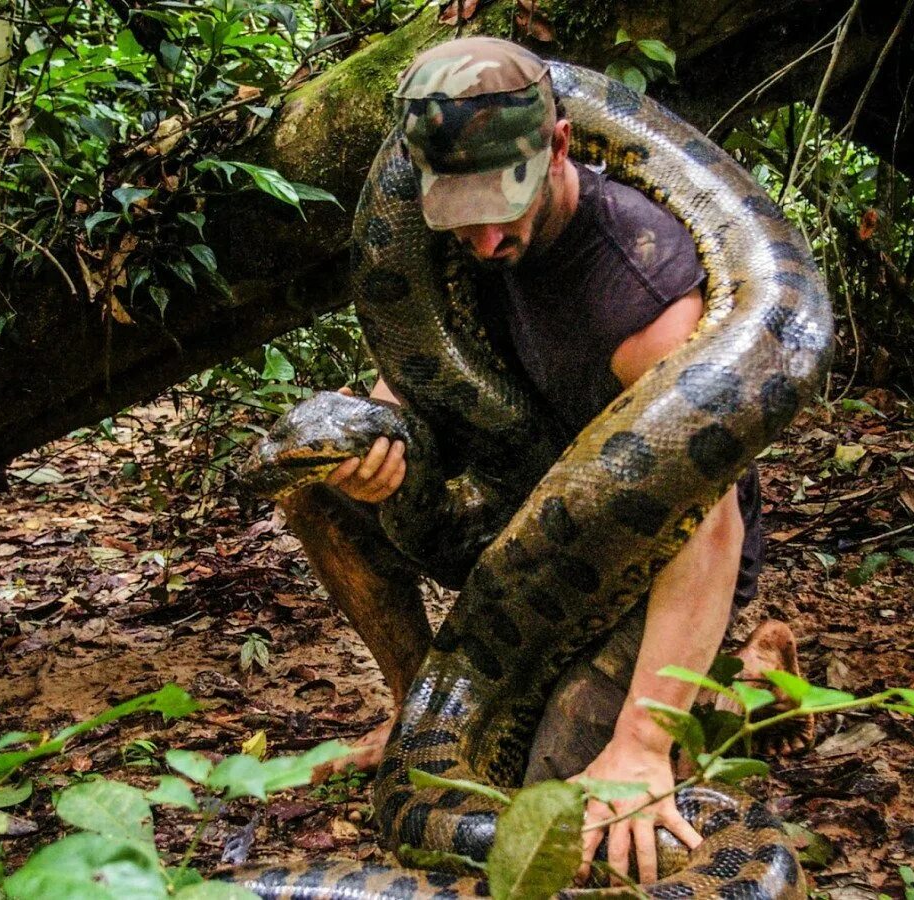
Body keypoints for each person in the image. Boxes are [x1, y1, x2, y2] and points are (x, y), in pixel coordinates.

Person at [285, 36, 806, 886]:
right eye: (460, 209)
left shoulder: (642, 294)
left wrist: (642, 742)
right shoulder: (458, 238)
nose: (484, 238)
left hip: (649, 556)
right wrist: (379, 443)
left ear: (560, 145)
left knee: (559, 828)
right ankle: (423, 702)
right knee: (320, 488)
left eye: (504, 203)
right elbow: (414, 375)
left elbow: (709, 530)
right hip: (531, 519)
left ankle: (726, 684)